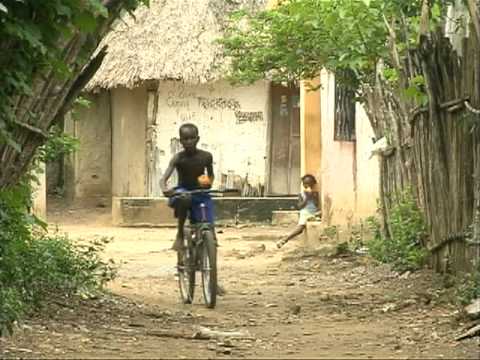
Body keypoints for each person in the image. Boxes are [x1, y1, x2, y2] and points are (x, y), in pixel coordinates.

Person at [160, 123, 215, 254]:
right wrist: (165, 189)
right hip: (183, 190)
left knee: (208, 209)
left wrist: (208, 183)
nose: (189, 141)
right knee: (184, 198)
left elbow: (211, 175)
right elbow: (163, 179)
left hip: (200, 191)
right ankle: (179, 234)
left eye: (192, 138)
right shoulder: (178, 158)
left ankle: (211, 236)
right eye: (185, 139)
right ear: (181, 141)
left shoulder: (206, 156)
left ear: (198, 139)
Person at [276, 174, 320, 248]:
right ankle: (284, 240)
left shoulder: (315, 193)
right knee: (300, 228)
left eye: (309, 184)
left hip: (313, 213)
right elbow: (300, 206)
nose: (307, 185)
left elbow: (316, 205)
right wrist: (306, 198)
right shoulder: (301, 194)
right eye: (305, 184)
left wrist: (312, 196)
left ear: (313, 184)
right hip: (305, 212)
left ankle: (284, 239)